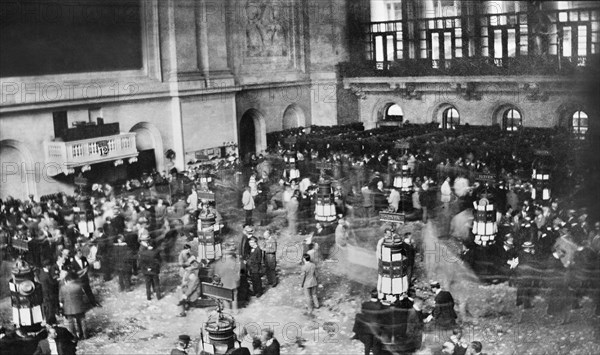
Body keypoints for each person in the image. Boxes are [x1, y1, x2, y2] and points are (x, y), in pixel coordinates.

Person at [352, 289, 384, 355]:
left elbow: (363, 312)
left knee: (367, 345)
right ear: (378, 296)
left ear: (371, 295)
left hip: (366, 327)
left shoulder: (365, 304)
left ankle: (356, 334)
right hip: (376, 329)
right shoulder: (380, 305)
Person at [59, 273, 90, 340]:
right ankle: (84, 335)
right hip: (79, 307)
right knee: (82, 320)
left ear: (66, 281)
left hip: (68, 308)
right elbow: (83, 296)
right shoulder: (79, 286)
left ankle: (74, 336)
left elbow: (61, 299)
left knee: (71, 322)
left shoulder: (63, 288)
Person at [212, 245, 241, 312]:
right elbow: (237, 274)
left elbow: (216, 275)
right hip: (232, 284)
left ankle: (228, 311)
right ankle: (235, 311)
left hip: (223, 284)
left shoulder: (218, 263)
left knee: (225, 298)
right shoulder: (234, 262)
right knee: (234, 298)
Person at [39, 259, 60, 325]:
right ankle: (50, 321)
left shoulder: (42, 272)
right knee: (50, 307)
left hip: (45, 293)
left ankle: (51, 319)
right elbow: (52, 283)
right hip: (49, 293)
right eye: (49, 265)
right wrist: (58, 279)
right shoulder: (46, 275)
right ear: (47, 266)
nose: (50, 267)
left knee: (48, 307)